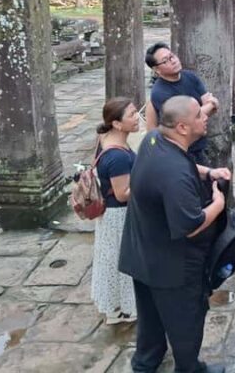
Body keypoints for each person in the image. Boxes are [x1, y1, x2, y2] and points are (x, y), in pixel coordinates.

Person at [119, 96, 231, 373]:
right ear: (182, 127)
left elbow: (186, 166)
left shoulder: (154, 140)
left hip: (142, 252)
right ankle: (189, 368)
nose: (205, 117)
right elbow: (191, 224)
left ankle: (146, 363)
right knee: (187, 320)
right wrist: (218, 203)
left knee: (151, 316)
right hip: (172, 265)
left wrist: (208, 172)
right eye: (198, 115)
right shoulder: (175, 174)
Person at [90, 97, 140, 325]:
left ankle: (115, 306)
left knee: (112, 260)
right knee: (122, 261)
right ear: (117, 124)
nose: (137, 117)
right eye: (131, 115)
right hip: (118, 214)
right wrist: (148, 181)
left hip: (112, 213)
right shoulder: (118, 156)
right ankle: (124, 309)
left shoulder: (108, 138)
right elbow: (123, 193)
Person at [144, 42, 219, 169]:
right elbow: (186, 121)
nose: (173, 61)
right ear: (156, 69)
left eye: (172, 56)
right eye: (165, 60)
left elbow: (211, 110)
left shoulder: (190, 76)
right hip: (179, 152)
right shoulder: (160, 92)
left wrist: (208, 107)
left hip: (200, 146)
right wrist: (211, 103)